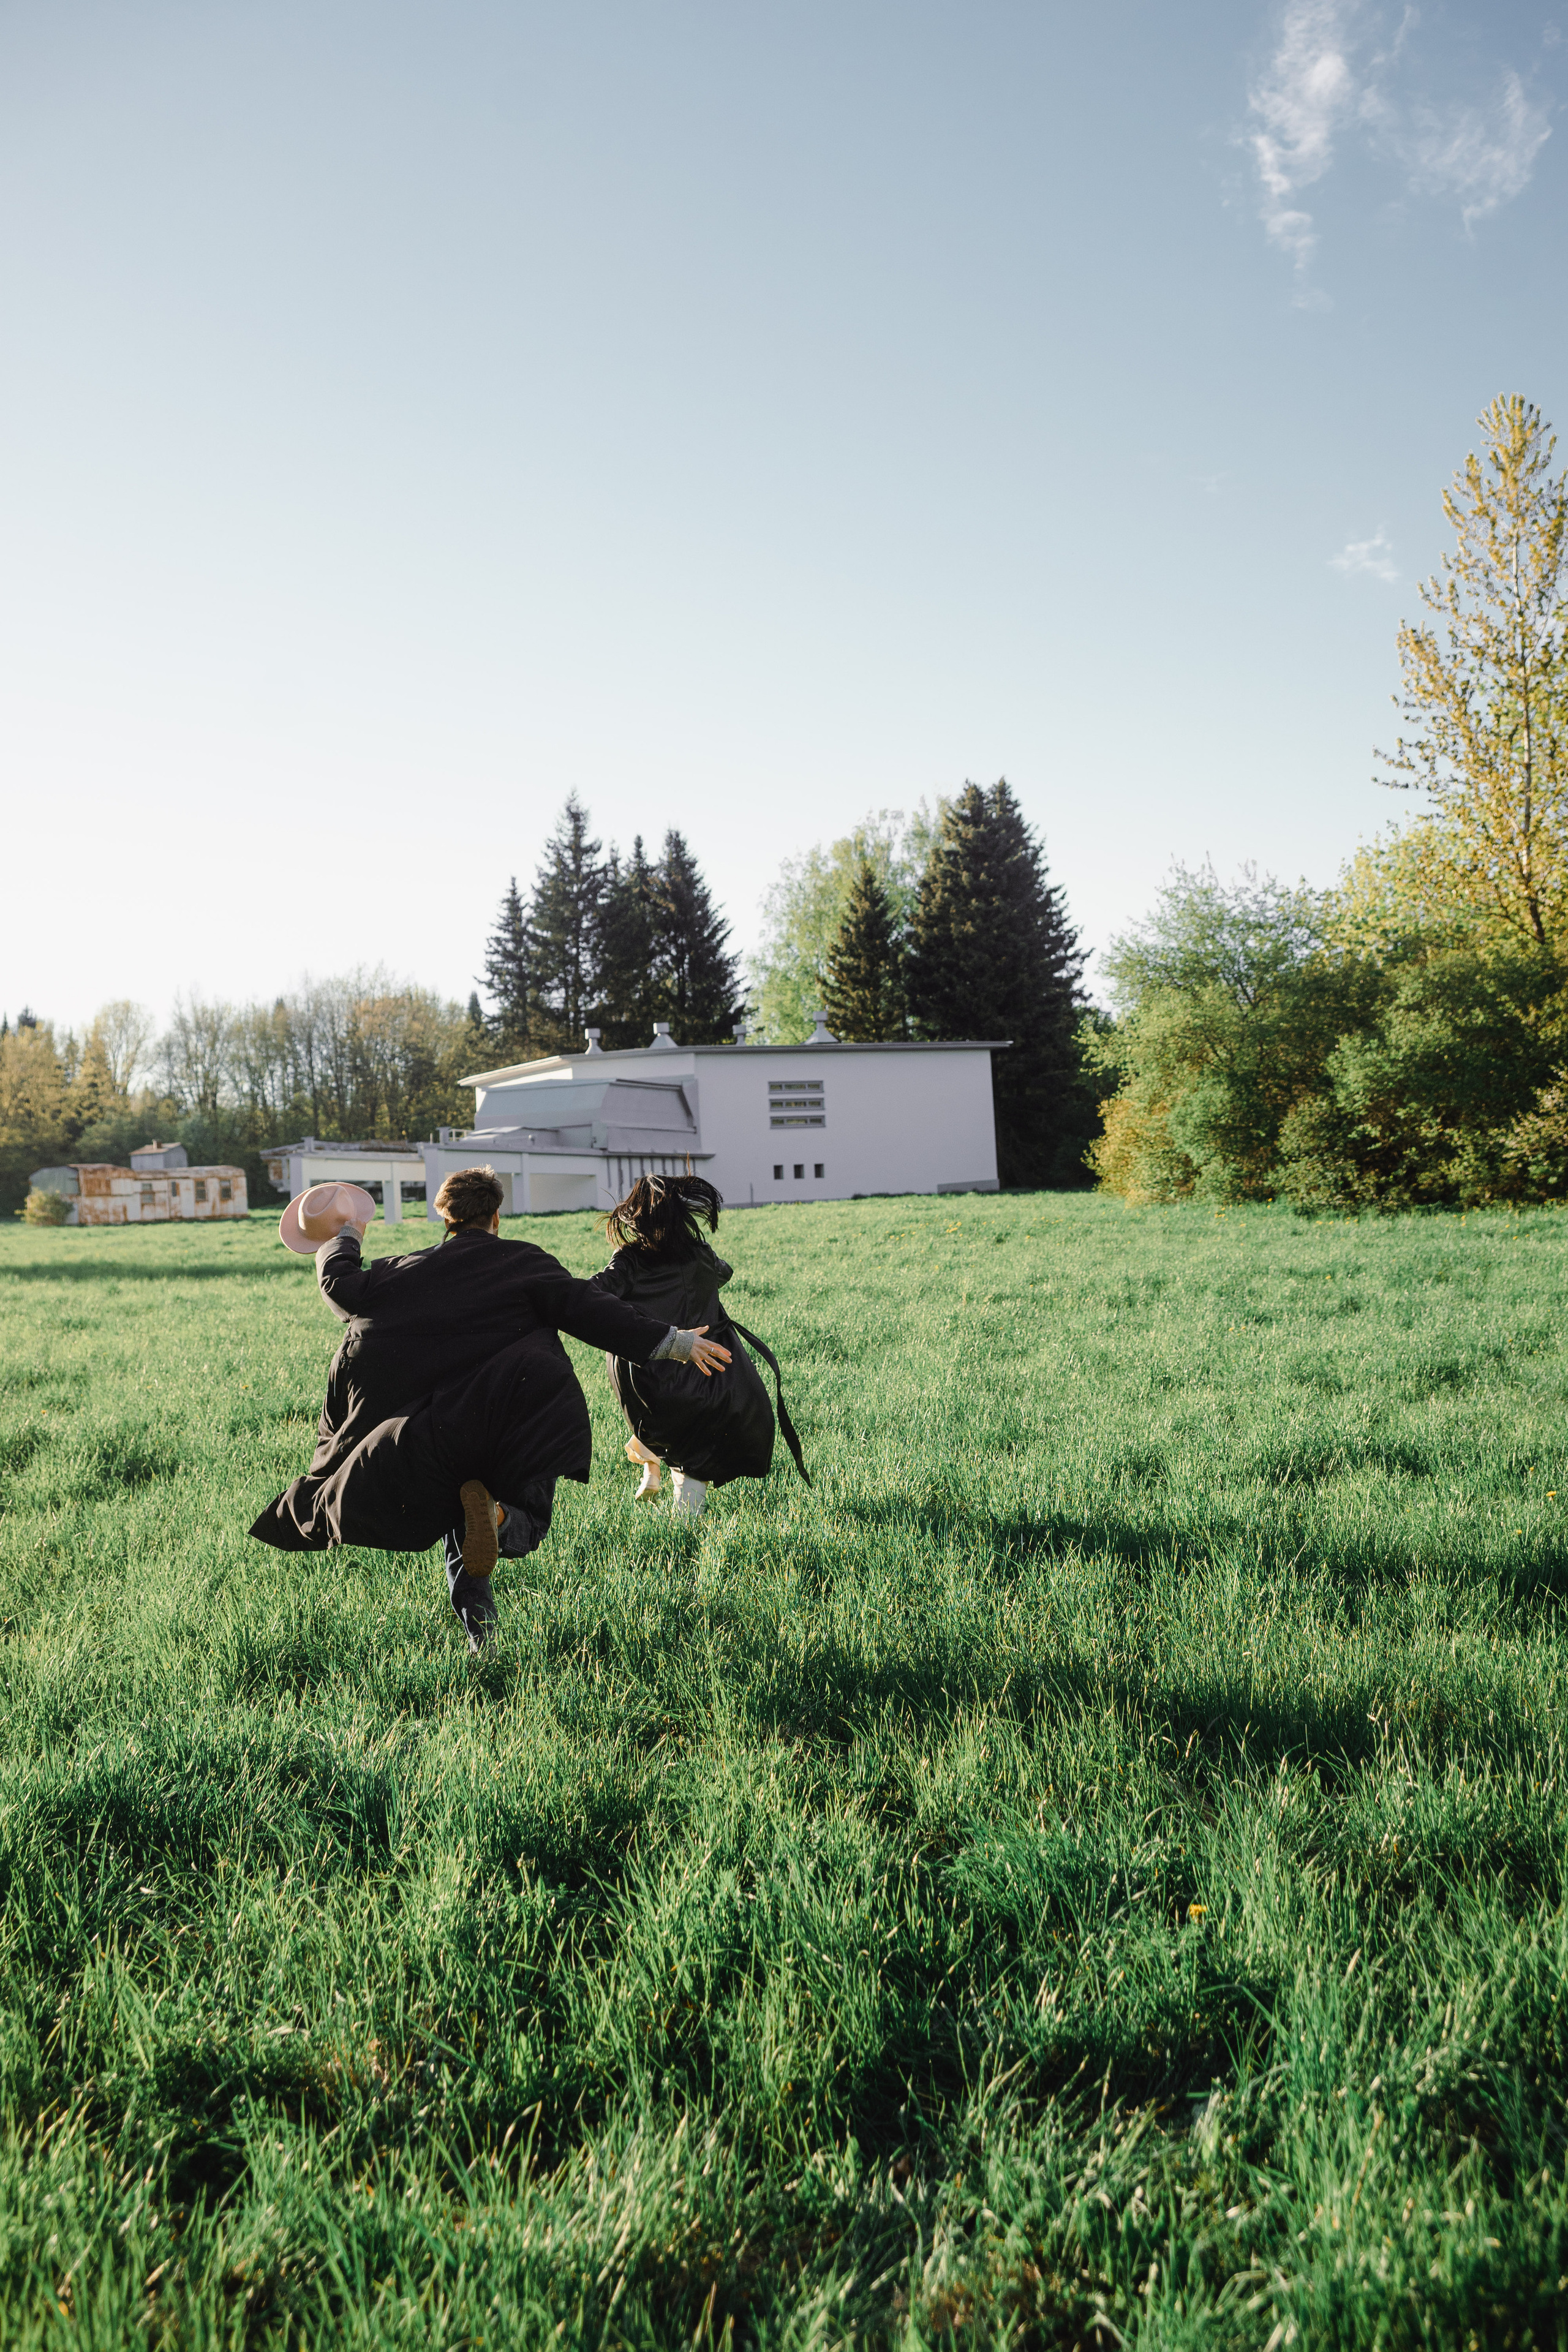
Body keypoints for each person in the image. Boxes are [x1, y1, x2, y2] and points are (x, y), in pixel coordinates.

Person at [250, 1166, 731, 1649]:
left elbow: (339, 1283)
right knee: (505, 1516)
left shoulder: (399, 1272)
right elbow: (591, 1310)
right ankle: (500, 1519)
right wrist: (676, 1342)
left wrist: (347, 1233)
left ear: (445, 1217)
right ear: (496, 1216)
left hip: (431, 1429)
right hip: (516, 1419)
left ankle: (484, 1640)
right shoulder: (527, 1263)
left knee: (456, 1513)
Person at [589, 1173, 809, 1517]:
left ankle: (653, 1470)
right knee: (694, 1450)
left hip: (649, 1384)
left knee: (659, 1426)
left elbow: (592, 1295)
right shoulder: (700, 1256)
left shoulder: (629, 1261)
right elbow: (725, 1272)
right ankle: (681, 1515)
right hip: (709, 1378)